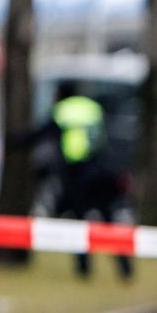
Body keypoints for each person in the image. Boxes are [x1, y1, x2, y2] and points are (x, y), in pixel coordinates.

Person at [31, 82, 132, 279]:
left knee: (79, 223)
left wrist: (13, 140)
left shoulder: (63, 111)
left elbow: (40, 135)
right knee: (109, 222)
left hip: (78, 176)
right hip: (101, 172)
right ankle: (125, 268)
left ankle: (83, 269)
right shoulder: (91, 107)